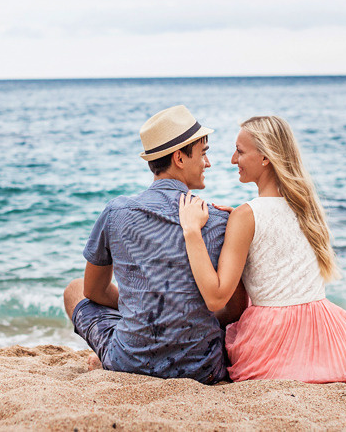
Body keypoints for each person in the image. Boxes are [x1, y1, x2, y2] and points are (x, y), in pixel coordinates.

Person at [179, 115, 346, 385]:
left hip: (273, 342)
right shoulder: (306, 206)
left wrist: (192, 233)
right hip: (326, 337)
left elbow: (215, 298)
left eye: (240, 151)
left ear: (265, 158)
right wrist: (243, 221)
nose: (233, 160)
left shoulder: (247, 216)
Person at [62, 105, 246, 383]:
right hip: (204, 368)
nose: (207, 163)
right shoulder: (219, 220)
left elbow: (93, 291)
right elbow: (235, 308)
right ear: (179, 158)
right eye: (203, 153)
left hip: (129, 363)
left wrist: (144, 306)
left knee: (74, 290)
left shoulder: (116, 212)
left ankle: (110, 353)